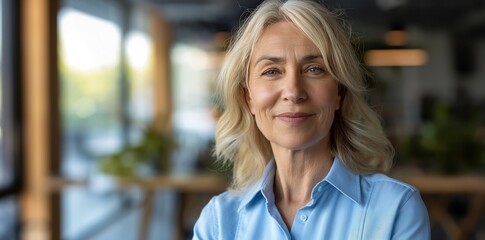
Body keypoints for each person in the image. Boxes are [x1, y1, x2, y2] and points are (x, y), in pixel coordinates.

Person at [193, 0, 430, 239]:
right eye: (272, 71)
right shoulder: (218, 222)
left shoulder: (395, 209)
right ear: (248, 98)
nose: (294, 92)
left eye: (314, 69)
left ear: (339, 92)